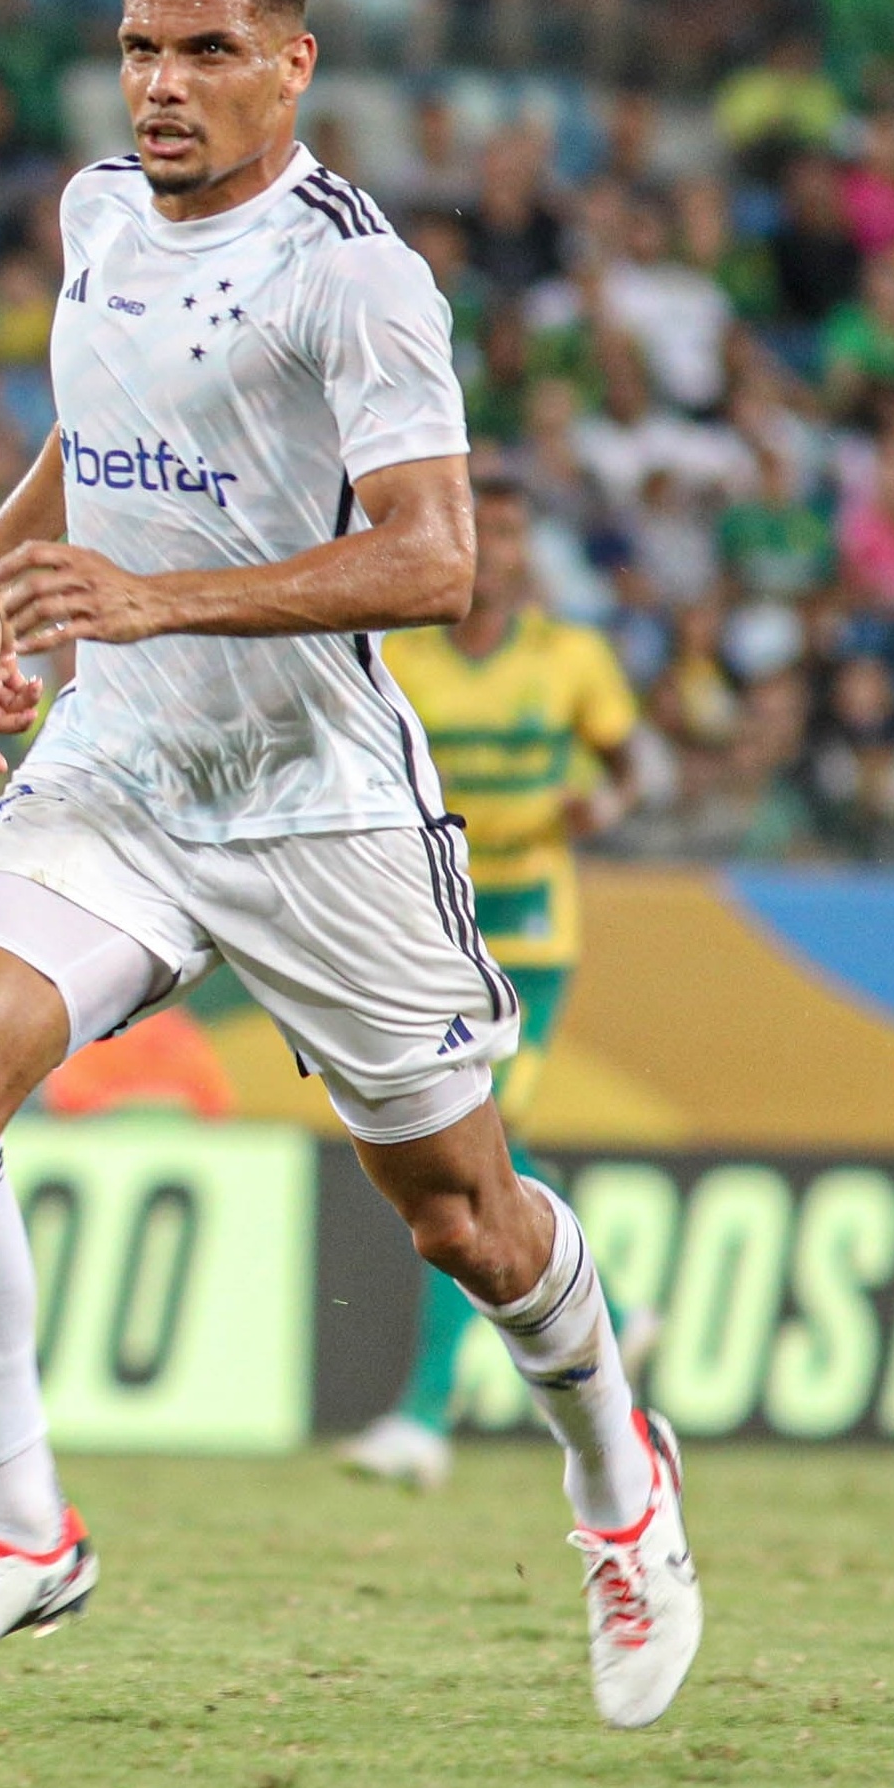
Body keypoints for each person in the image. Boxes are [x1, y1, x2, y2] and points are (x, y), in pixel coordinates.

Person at [0, 0, 700, 1732]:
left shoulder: (354, 280)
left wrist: (152, 603)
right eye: (142, 49)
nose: (162, 84)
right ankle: (18, 1534)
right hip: (121, 776)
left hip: (314, 808)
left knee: (464, 1220)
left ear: (289, 67)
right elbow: (94, 438)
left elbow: (432, 558)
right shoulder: (91, 218)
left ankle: (615, 1477)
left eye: (206, 52)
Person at [339, 472, 654, 1489]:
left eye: (515, 530)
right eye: (485, 528)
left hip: (529, 930)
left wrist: (603, 804)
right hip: (435, 925)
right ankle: (614, 1303)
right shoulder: (407, 658)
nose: (499, 547)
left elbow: (626, 763)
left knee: (480, 1143)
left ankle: (422, 1416)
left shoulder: (571, 658)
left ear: (527, 551)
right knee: (473, 1153)